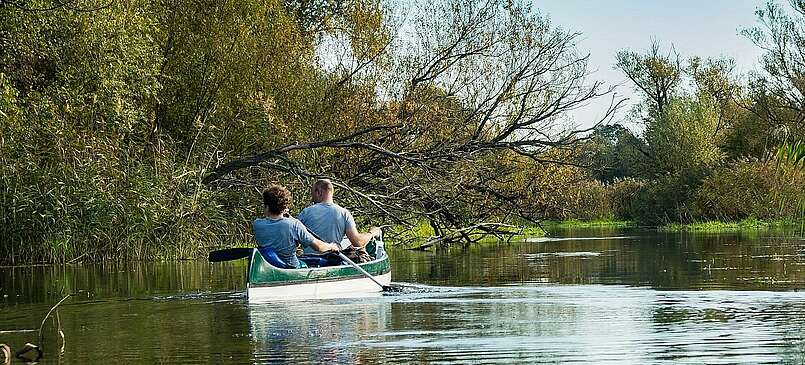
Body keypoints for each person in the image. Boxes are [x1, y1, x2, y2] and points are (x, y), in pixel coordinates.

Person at [253, 184, 340, 268]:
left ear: (267, 207)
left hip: (270, 265)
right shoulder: (293, 224)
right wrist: (331, 246)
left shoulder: (257, 224)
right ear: (284, 207)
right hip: (291, 266)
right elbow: (318, 247)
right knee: (324, 262)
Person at [298, 179, 381, 256]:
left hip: (310, 260)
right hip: (333, 260)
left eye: (312, 194)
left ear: (319, 192)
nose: (312, 198)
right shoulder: (344, 213)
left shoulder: (305, 213)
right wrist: (372, 233)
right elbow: (358, 242)